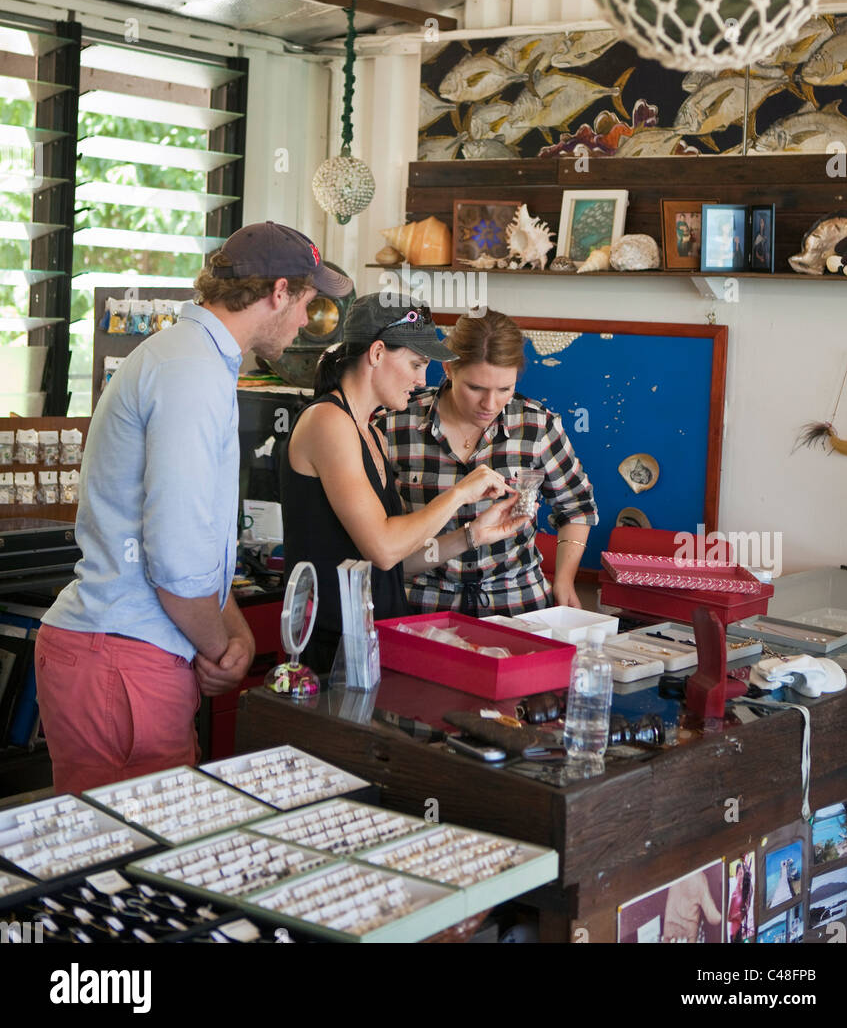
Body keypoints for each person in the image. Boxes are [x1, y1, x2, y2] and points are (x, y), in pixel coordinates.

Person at [35, 222, 350, 795]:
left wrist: (235, 634)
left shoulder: (196, 359)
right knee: (128, 866)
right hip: (124, 655)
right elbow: (177, 561)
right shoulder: (191, 372)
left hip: (129, 651)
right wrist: (222, 649)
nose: (307, 319)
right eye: (307, 301)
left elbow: (200, 544)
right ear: (279, 292)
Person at [281, 295, 528, 672]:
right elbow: (382, 547)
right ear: (377, 353)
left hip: (373, 641)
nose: (420, 380)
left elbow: (396, 563)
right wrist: (459, 494)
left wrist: (473, 535)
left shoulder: (373, 435)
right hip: (331, 647)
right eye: (415, 363)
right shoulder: (327, 422)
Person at [377, 309, 598, 616]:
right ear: (449, 368)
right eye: (476, 388)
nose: (490, 404)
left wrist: (564, 579)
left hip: (518, 605)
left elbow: (577, 507)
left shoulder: (537, 426)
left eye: (504, 389)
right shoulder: (394, 425)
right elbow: (375, 535)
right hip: (421, 605)